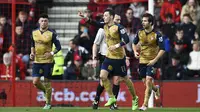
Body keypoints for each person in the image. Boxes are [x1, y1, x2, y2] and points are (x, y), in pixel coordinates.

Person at [79, 9, 138, 110]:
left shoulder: (119, 27)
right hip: (108, 57)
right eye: (104, 15)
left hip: (119, 58)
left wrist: (116, 46)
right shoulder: (104, 26)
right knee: (102, 76)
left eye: (106, 15)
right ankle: (111, 97)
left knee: (125, 79)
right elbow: (94, 23)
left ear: (111, 17)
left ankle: (134, 98)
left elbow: (127, 40)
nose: (104, 17)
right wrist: (85, 17)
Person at [132, 13, 165, 111]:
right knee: (146, 84)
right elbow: (134, 43)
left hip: (153, 61)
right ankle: (156, 89)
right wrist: (135, 52)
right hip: (142, 61)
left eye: (145, 21)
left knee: (148, 80)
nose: (143, 22)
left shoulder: (157, 34)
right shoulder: (139, 32)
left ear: (150, 22)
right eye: (142, 21)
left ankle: (145, 105)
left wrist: (154, 60)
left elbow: (162, 49)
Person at [30, 13, 61, 110]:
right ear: (39, 22)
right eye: (42, 21)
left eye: (45, 21)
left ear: (48, 22)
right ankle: (45, 91)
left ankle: (48, 103)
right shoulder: (34, 32)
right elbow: (32, 44)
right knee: (35, 82)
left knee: (47, 82)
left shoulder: (52, 33)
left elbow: (59, 47)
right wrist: (32, 53)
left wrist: (51, 53)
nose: (43, 22)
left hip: (48, 61)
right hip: (37, 60)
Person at [92, 14, 122, 110]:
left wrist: (125, 57)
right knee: (103, 81)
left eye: (120, 20)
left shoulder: (119, 30)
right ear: (112, 18)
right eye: (117, 19)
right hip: (105, 57)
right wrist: (94, 58)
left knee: (116, 80)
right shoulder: (102, 30)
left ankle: (113, 103)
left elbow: (122, 45)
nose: (119, 21)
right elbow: (95, 44)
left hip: (117, 57)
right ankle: (97, 99)